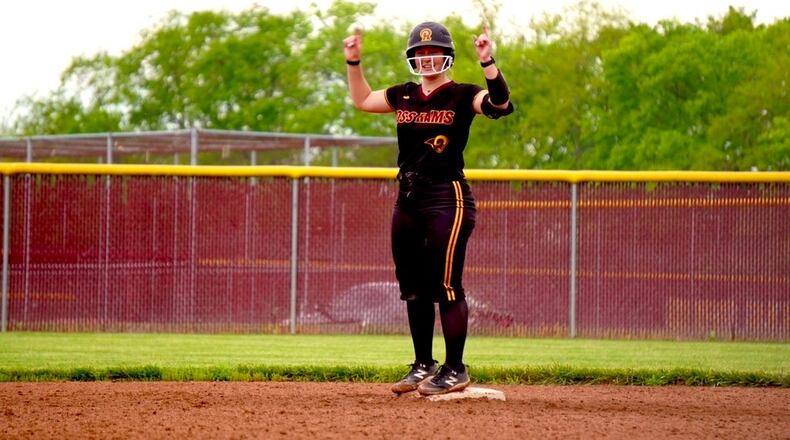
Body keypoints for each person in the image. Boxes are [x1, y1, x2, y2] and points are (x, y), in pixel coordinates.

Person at [343, 21, 514, 396]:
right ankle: (424, 364)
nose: (426, 57)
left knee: (446, 286)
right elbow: (362, 100)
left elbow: (500, 104)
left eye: (433, 51)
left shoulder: (461, 94)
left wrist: (488, 62)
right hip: (407, 198)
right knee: (413, 287)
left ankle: (455, 368)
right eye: (419, 53)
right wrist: (353, 63)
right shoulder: (404, 95)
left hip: (446, 197)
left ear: (448, 56)